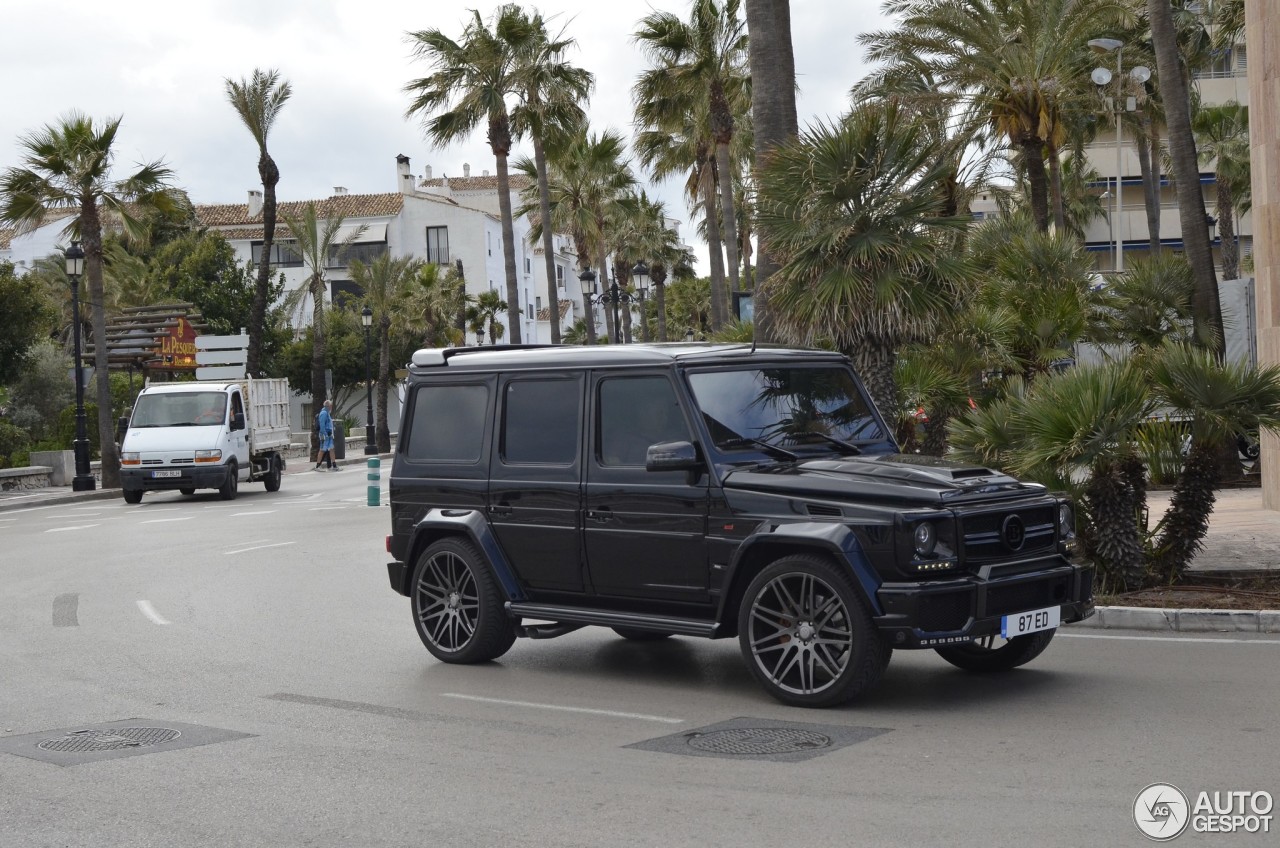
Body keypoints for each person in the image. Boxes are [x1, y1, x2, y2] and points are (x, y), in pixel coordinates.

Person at [315, 400, 337, 471]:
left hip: (329, 435)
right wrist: (325, 434)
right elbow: (322, 425)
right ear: (329, 406)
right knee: (322, 450)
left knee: (331, 449)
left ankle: (334, 465)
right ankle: (318, 466)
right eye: (331, 406)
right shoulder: (324, 413)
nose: (331, 408)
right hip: (325, 435)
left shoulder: (327, 413)